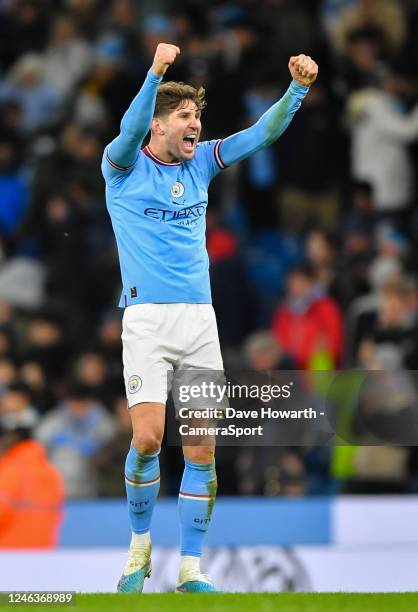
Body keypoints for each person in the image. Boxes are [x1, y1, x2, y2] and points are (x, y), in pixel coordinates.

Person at [101, 42, 318, 593]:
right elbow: (127, 129)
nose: (195, 123)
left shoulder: (201, 162)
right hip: (146, 320)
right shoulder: (121, 166)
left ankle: (192, 569)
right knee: (148, 439)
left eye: (197, 115)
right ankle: (138, 551)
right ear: (158, 125)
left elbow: (259, 136)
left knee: (200, 447)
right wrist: (154, 72)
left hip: (200, 323)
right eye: (184, 116)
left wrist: (296, 90)